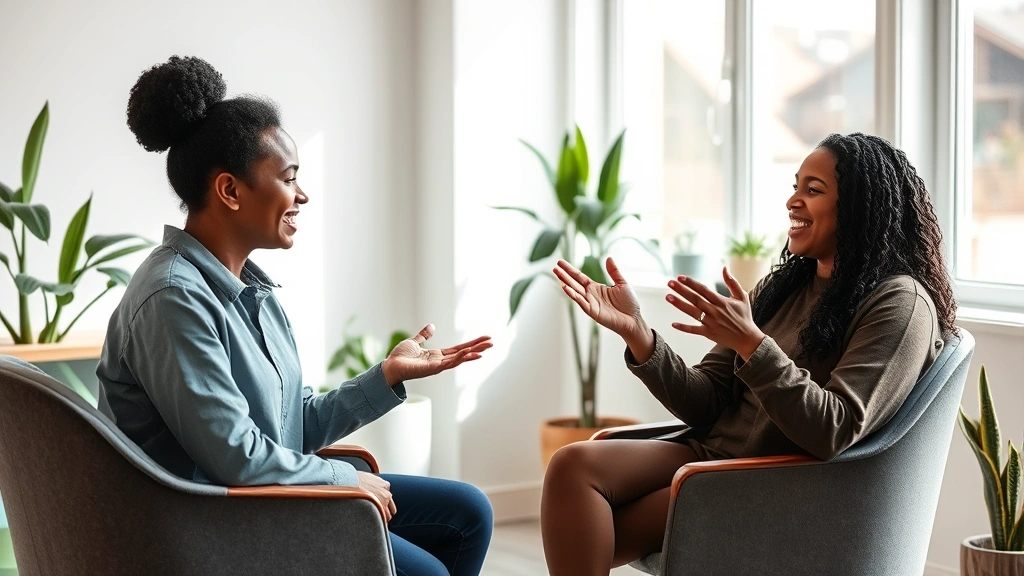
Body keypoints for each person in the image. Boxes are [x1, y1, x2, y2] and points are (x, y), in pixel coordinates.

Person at [97, 55, 493, 576]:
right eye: (289, 178)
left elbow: (292, 425)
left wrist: (387, 376)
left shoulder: (251, 289)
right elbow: (236, 458)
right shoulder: (172, 299)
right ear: (230, 190)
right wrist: (345, 480)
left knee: (469, 512)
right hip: (210, 526)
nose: (302, 195)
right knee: (428, 571)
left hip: (262, 500)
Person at [540, 133, 957, 575]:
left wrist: (753, 345)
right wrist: (639, 333)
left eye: (813, 190)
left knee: (593, 532)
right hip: (714, 458)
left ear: (859, 206)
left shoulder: (899, 304)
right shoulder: (785, 286)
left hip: (774, 482)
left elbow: (834, 429)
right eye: (795, 187)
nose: (793, 202)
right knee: (572, 465)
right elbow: (706, 401)